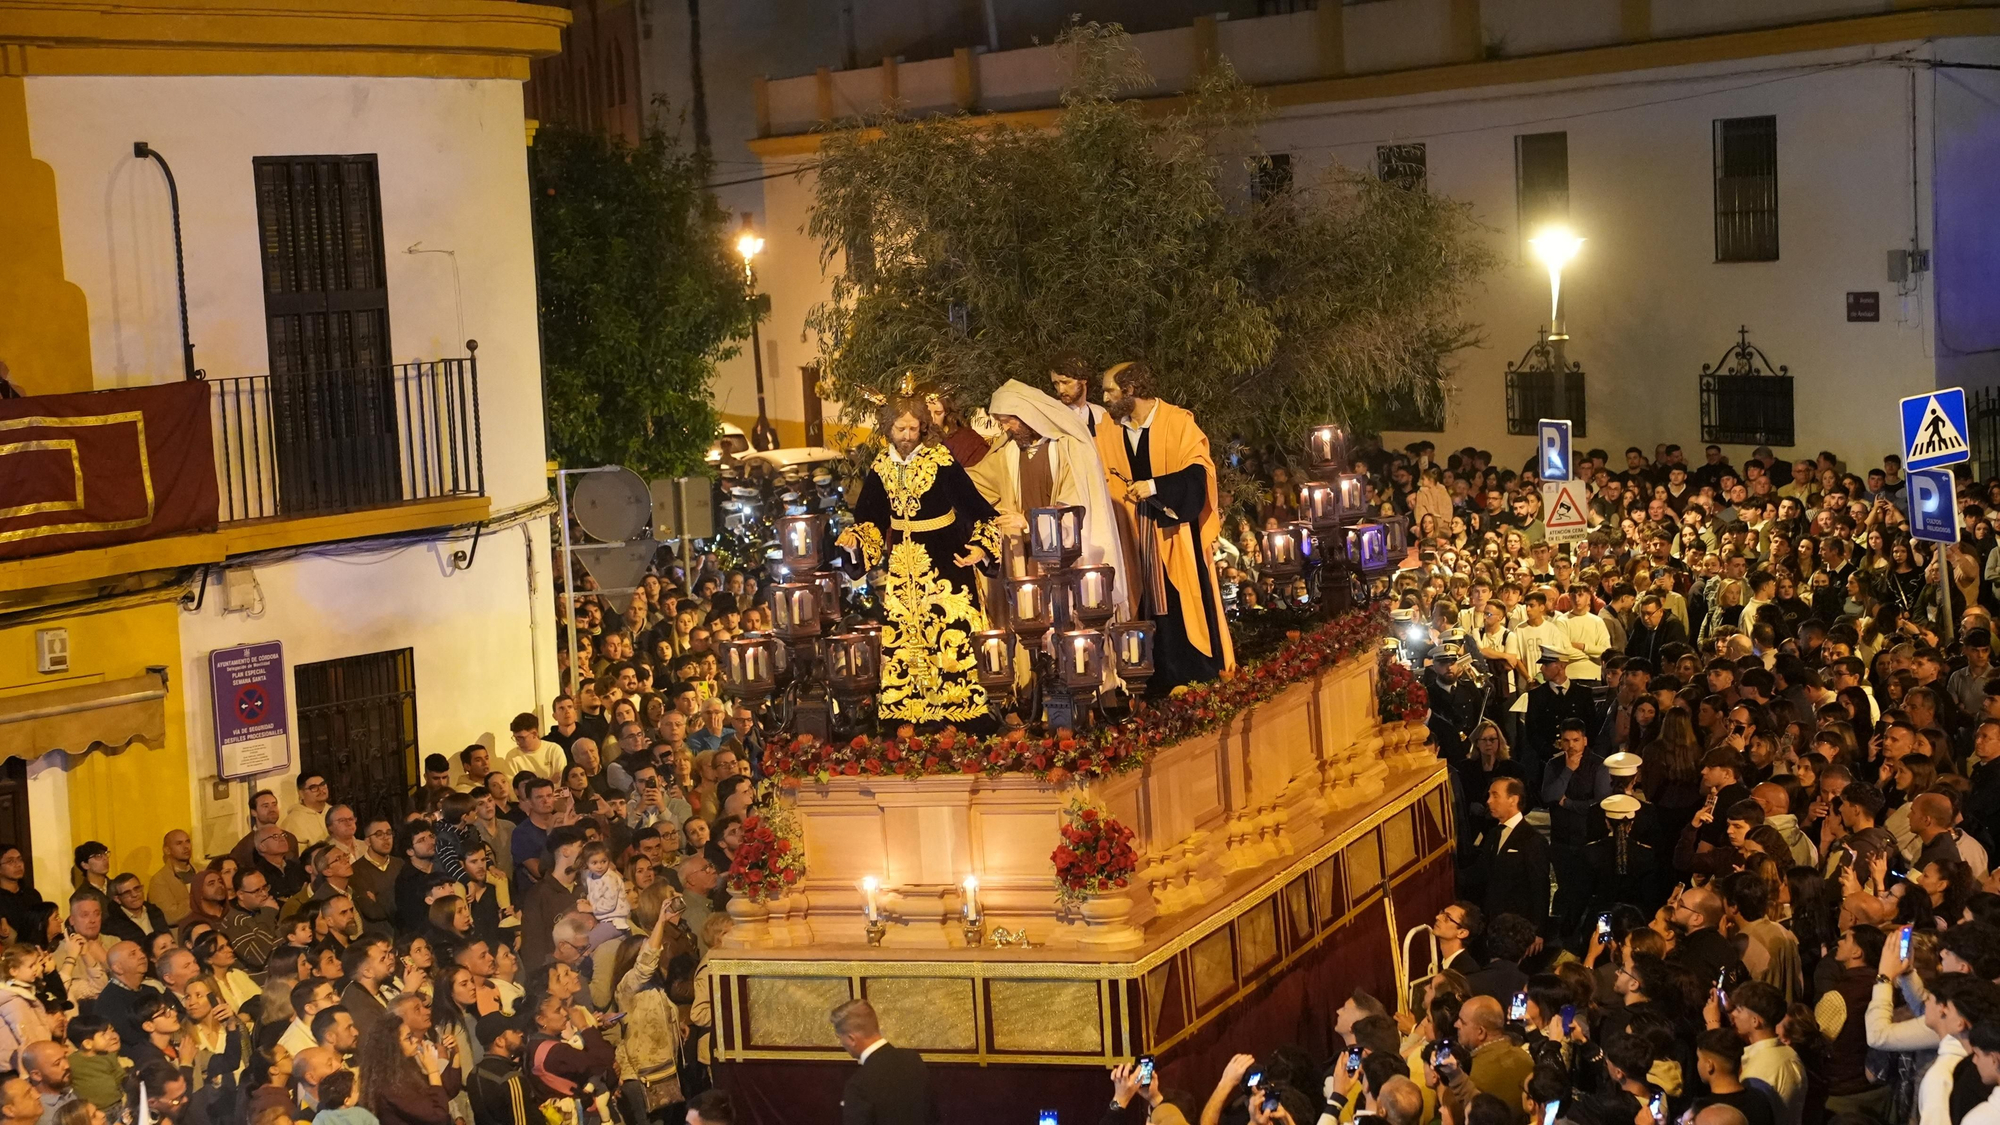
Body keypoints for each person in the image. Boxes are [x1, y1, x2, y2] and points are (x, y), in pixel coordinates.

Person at [834, 393, 1002, 724]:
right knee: (905, 639)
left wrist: (980, 547)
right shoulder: (881, 466)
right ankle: (910, 714)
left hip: (946, 559)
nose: (908, 435)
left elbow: (979, 510)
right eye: (901, 428)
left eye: (913, 428)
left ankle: (963, 712)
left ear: (923, 427)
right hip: (902, 567)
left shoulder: (940, 460)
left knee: (952, 632)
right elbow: (870, 520)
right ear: (888, 429)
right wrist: (856, 541)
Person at [1095, 360, 1235, 692]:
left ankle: (1195, 678)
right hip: (1130, 537)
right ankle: (1149, 685)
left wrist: (1155, 486)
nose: (1104, 398)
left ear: (1130, 391)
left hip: (1174, 533)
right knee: (1139, 607)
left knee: (1181, 604)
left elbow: (1198, 475)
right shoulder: (1107, 429)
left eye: (1110, 391)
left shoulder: (1178, 422)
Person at [972, 377, 1129, 614]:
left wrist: (1027, 520)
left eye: (1007, 421)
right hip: (1026, 556)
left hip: (1066, 558)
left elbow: (1075, 502)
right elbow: (975, 482)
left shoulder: (1068, 448)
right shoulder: (1009, 453)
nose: (1003, 428)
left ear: (1026, 416)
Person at [831, 998, 936, 1124]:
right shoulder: (913, 1059)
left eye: (840, 1038)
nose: (841, 1043)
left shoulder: (858, 1085)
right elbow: (933, 1115)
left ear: (851, 1039)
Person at [1463, 779, 1548, 929]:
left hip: (1516, 927)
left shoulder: (1533, 840)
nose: (1489, 801)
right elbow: (1481, 871)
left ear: (1513, 800)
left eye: (1495, 796)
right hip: (1491, 921)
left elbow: (1539, 887)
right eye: (1489, 795)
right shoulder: (1494, 834)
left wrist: (1538, 929)